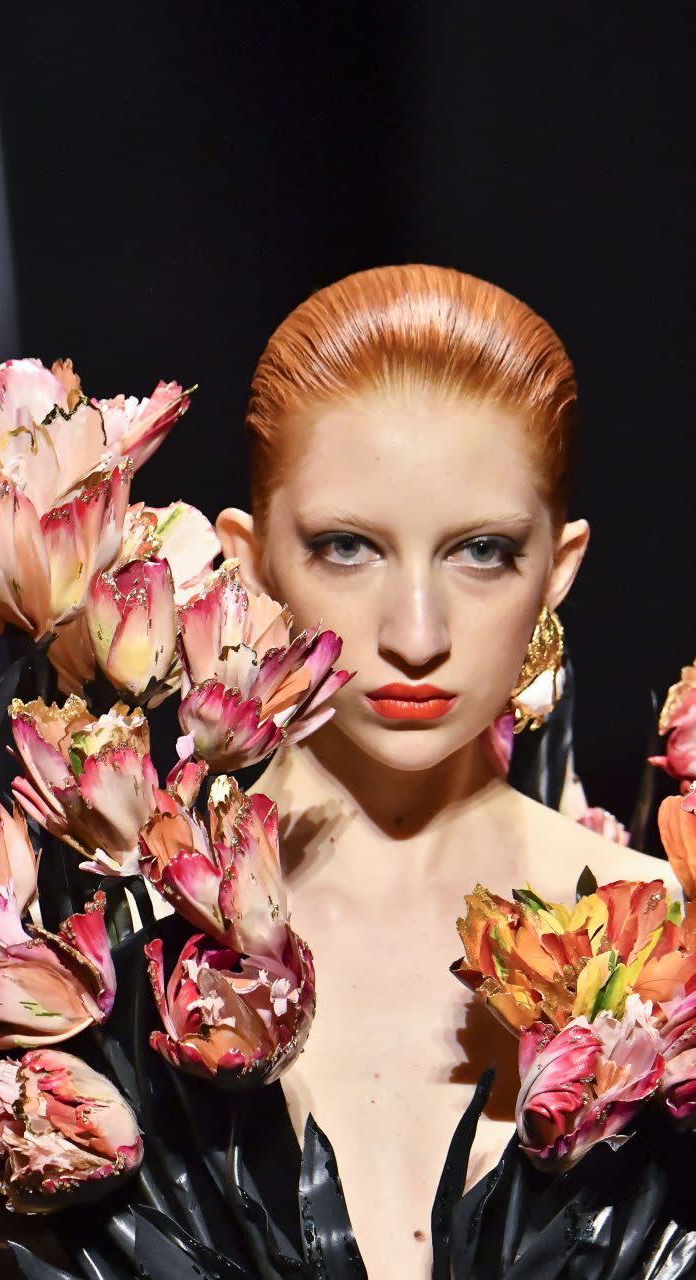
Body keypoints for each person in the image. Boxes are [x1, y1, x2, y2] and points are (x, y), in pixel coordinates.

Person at [215, 264, 679, 1280]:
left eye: (480, 551)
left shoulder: (662, 936)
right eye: (346, 547)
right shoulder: (127, 943)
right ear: (249, 561)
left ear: (560, 565)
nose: (414, 635)